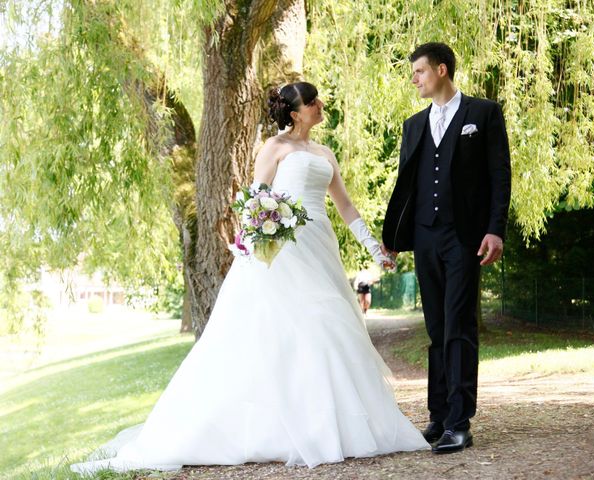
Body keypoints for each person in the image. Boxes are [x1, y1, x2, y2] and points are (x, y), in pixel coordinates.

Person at [71, 81, 428, 475]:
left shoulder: (325, 154)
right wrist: (265, 231)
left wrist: (375, 248)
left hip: (319, 245)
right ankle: (285, 427)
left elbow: (345, 206)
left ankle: (335, 423)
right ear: (295, 113)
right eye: (312, 102)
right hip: (281, 252)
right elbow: (256, 202)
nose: (320, 105)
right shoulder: (275, 148)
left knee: (329, 322)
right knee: (295, 327)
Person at [382, 42, 511, 454]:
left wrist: (495, 230)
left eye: (419, 71)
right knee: (436, 329)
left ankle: (460, 422)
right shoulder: (413, 125)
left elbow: (499, 175)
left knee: (458, 325)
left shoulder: (483, 114)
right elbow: (407, 186)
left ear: (441, 70)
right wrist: (395, 239)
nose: (415, 79)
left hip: (465, 237)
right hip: (425, 237)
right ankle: (437, 418)